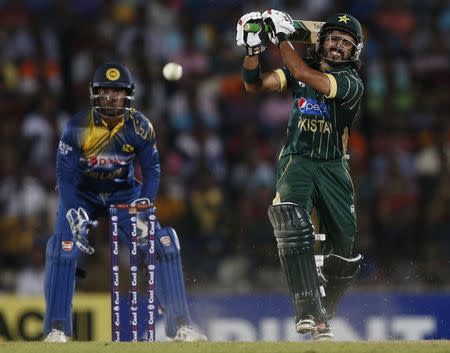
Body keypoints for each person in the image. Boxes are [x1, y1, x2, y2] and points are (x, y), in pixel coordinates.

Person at [43, 62, 207, 342]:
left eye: (117, 92)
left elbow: (153, 171)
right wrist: (72, 209)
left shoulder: (140, 127)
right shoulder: (77, 127)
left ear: (128, 95)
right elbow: (65, 175)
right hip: (83, 196)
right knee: (63, 249)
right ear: (95, 94)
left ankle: (181, 324)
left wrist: (145, 202)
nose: (111, 98)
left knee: (164, 244)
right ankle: (56, 330)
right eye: (105, 92)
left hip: (125, 194)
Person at [236, 11, 364, 340]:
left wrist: (281, 38)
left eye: (346, 44)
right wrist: (253, 52)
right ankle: (307, 311)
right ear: (321, 42)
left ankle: (325, 313)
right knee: (291, 220)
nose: (339, 47)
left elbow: (301, 72)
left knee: (345, 254)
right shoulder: (301, 72)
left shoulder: (351, 82)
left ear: (355, 52)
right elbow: (254, 85)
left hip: (334, 166)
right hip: (299, 161)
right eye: (333, 39)